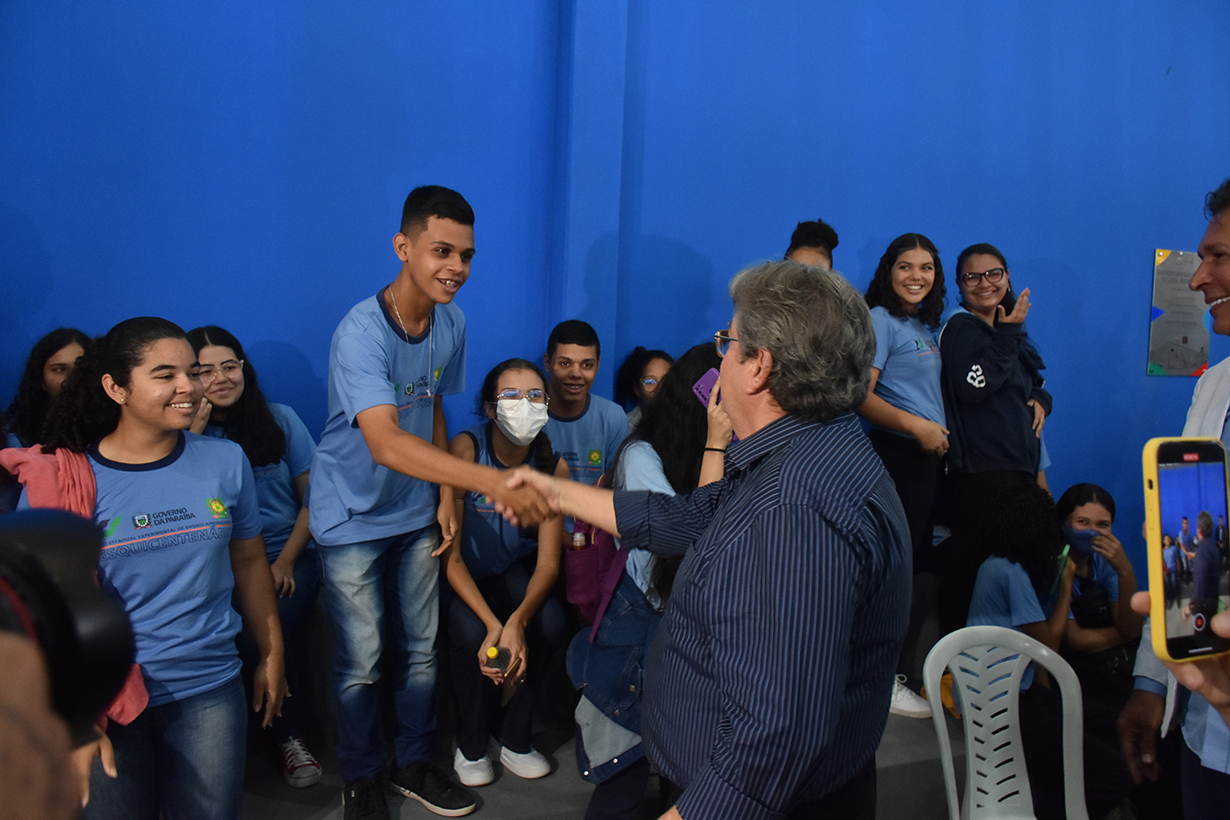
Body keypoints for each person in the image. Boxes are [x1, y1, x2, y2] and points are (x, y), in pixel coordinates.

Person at [501, 261, 911, 820]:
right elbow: (691, 517)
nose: (720, 357)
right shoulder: (802, 451)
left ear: (759, 366)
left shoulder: (795, 510)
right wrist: (557, 493)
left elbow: (774, 737)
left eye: (728, 342)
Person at [307, 186, 548, 820]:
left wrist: (445, 492)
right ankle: (362, 777)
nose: (456, 269)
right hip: (353, 514)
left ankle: (413, 765)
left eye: (467, 256)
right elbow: (384, 441)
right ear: (403, 247)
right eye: (442, 251)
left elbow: (435, 407)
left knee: (421, 650)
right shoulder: (360, 332)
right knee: (361, 660)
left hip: (415, 510)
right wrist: (484, 482)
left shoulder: (453, 322)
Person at [37, 316, 285, 820]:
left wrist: (272, 651)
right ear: (115, 387)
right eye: (164, 374)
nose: (188, 388)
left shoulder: (224, 460)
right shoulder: (64, 479)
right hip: (107, 701)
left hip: (209, 689)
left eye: (192, 373)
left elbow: (250, 559)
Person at [573, 343, 731, 820]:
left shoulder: (733, 446)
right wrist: (717, 445)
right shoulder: (642, 453)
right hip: (639, 633)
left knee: (685, 775)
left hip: (691, 630)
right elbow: (689, 538)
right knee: (623, 774)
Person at [1119, 177, 1230, 820]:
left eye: (1219, 258)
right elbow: (1182, 554)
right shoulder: (1213, 386)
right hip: (1201, 733)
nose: (1197, 279)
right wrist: (1150, 682)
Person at [186, 325, 323, 788]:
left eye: (230, 366)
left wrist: (284, 561)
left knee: (261, 632)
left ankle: (287, 737)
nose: (221, 378)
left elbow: (315, 502)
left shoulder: (280, 419)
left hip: (289, 557)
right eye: (204, 370)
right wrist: (193, 435)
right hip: (218, 568)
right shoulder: (183, 435)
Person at [965, 482, 1134, 820]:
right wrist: (1067, 586)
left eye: (1102, 525)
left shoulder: (1003, 566)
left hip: (1026, 693)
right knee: (1114, 775)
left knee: (1116, 722)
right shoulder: (1010, 571)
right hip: (1005, 702)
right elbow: (1049, 646)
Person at [441, 358, 568, 787]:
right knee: (474, 636)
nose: (525, 405)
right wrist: (497, 626)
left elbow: (549, 564)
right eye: (511, 396)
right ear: (490, 408)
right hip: (463, 578)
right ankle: (472, 742)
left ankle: (514, 737)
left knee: (550, 624)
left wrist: (518, 622)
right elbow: (450, 558)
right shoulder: (465, 451)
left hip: (511, 573)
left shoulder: (552, 466)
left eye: (535, 395)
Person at [937, 242, 1051, 635]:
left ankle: (1009, 681)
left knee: (1012, 579)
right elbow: (974, 385)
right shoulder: (961, 329)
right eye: (973, 276)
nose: (984, 283)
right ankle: (951, 677)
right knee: (971, 576)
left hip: (1018, 470)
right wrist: (1008, 335)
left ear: (1005, 276)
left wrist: (1042, 399)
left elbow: (1030, 381)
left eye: (993, 274)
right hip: (982, 473)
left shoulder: (1005, 332)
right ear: (959, 284)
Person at [858, 233, 949, 718]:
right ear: (888, 272)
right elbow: (861, 396)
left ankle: (891, 673)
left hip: (925, 459)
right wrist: (915, 425)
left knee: (916, 569)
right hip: (897, 453)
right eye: (905, 267)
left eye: (926, 267)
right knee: (895, 570)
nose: (916, 276)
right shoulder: (879, 320)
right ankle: (883, 680)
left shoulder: (925, 325)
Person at [1053, 484, 1143, 706]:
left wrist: (1126, 570)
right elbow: (1074, 641)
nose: (1093, 531)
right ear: (1064, 523)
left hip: (1109, 662)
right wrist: (1124, 633)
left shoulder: (1105, 562)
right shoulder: (1052, 564)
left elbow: (1131, 627)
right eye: (1083, 522)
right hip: (1070, 671)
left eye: (1103, 525)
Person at [543, 320, 630, 486]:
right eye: (565, 363)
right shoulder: (528, 414)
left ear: (597, 366)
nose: (576, 373)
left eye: (587, 365)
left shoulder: (612, 417)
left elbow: (618, 489)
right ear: (548, 362)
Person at [6, 327, 91, 448]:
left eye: (80, 368)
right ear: (41, 379)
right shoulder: (17, 439)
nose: (72, 378)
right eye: (59, 369)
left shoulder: (115, 428)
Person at [613, 346, 673, 429]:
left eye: (666, 380)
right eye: (650, 382)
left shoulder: (686, 416)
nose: (660, 388)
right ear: (637, 389)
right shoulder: (627, 428)